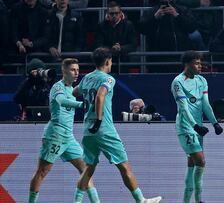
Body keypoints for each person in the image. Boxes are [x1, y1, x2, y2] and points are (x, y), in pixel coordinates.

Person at [72, 47, 162, 203]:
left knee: (88, 169)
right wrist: (99, 120)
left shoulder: (86, 78)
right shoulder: (108, 79)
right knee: (124, 167)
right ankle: (141, 200)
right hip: (104, 129)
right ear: (108, 61)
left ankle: (77, 201)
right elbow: (100, 96)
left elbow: (74, 93)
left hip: (88, 130)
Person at [28, 58, 100, 203]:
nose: (76, 73)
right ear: (64, 71)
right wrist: (82, 104)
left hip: (68, 137)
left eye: (78, 70)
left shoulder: (73, 89)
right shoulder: (57, 87)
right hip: (55, 135)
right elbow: (61, 101)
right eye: (73, 70)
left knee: (86, 170)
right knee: (42, 172)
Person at [171, 50, 223, 203]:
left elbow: (205, 104)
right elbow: (183, 107)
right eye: (197, 63)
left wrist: (215, 123)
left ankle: (186, 201)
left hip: (197, 127)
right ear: (187, 64)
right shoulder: (177, 82)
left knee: (192, 164)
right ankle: (199, 200)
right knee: (201, 161)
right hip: (186, 127)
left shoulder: (202, 81)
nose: (200, 66)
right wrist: (194, 125)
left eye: (201, 63)